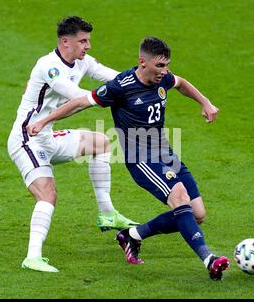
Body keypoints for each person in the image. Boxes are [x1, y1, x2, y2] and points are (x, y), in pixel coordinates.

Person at [26, 37, 230, 280]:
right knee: (180, 198)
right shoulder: (120, 86)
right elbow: (81, 102)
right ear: (142, 61)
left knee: (197, 214)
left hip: (166, 152)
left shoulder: (163, 77)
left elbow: (181, 83)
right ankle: (209, 259)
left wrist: (204, 102)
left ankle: (132, 236)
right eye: (159, 66)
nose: (164, 72)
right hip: (141, 159)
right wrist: (44, 121)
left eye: (166, 66)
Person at [7, 16, 139, 273]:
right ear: (65, 42)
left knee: (101, 143)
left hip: (47, 136)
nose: (87, 46)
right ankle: (32, 257)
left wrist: (139, 81)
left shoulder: (82, 62)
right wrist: (111, 97)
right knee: (48, 194)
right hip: (27, 139)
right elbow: (74, 95)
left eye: (88, 40)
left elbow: (114, 78)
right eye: (83, 41)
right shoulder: (49, 66)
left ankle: (107, 213)